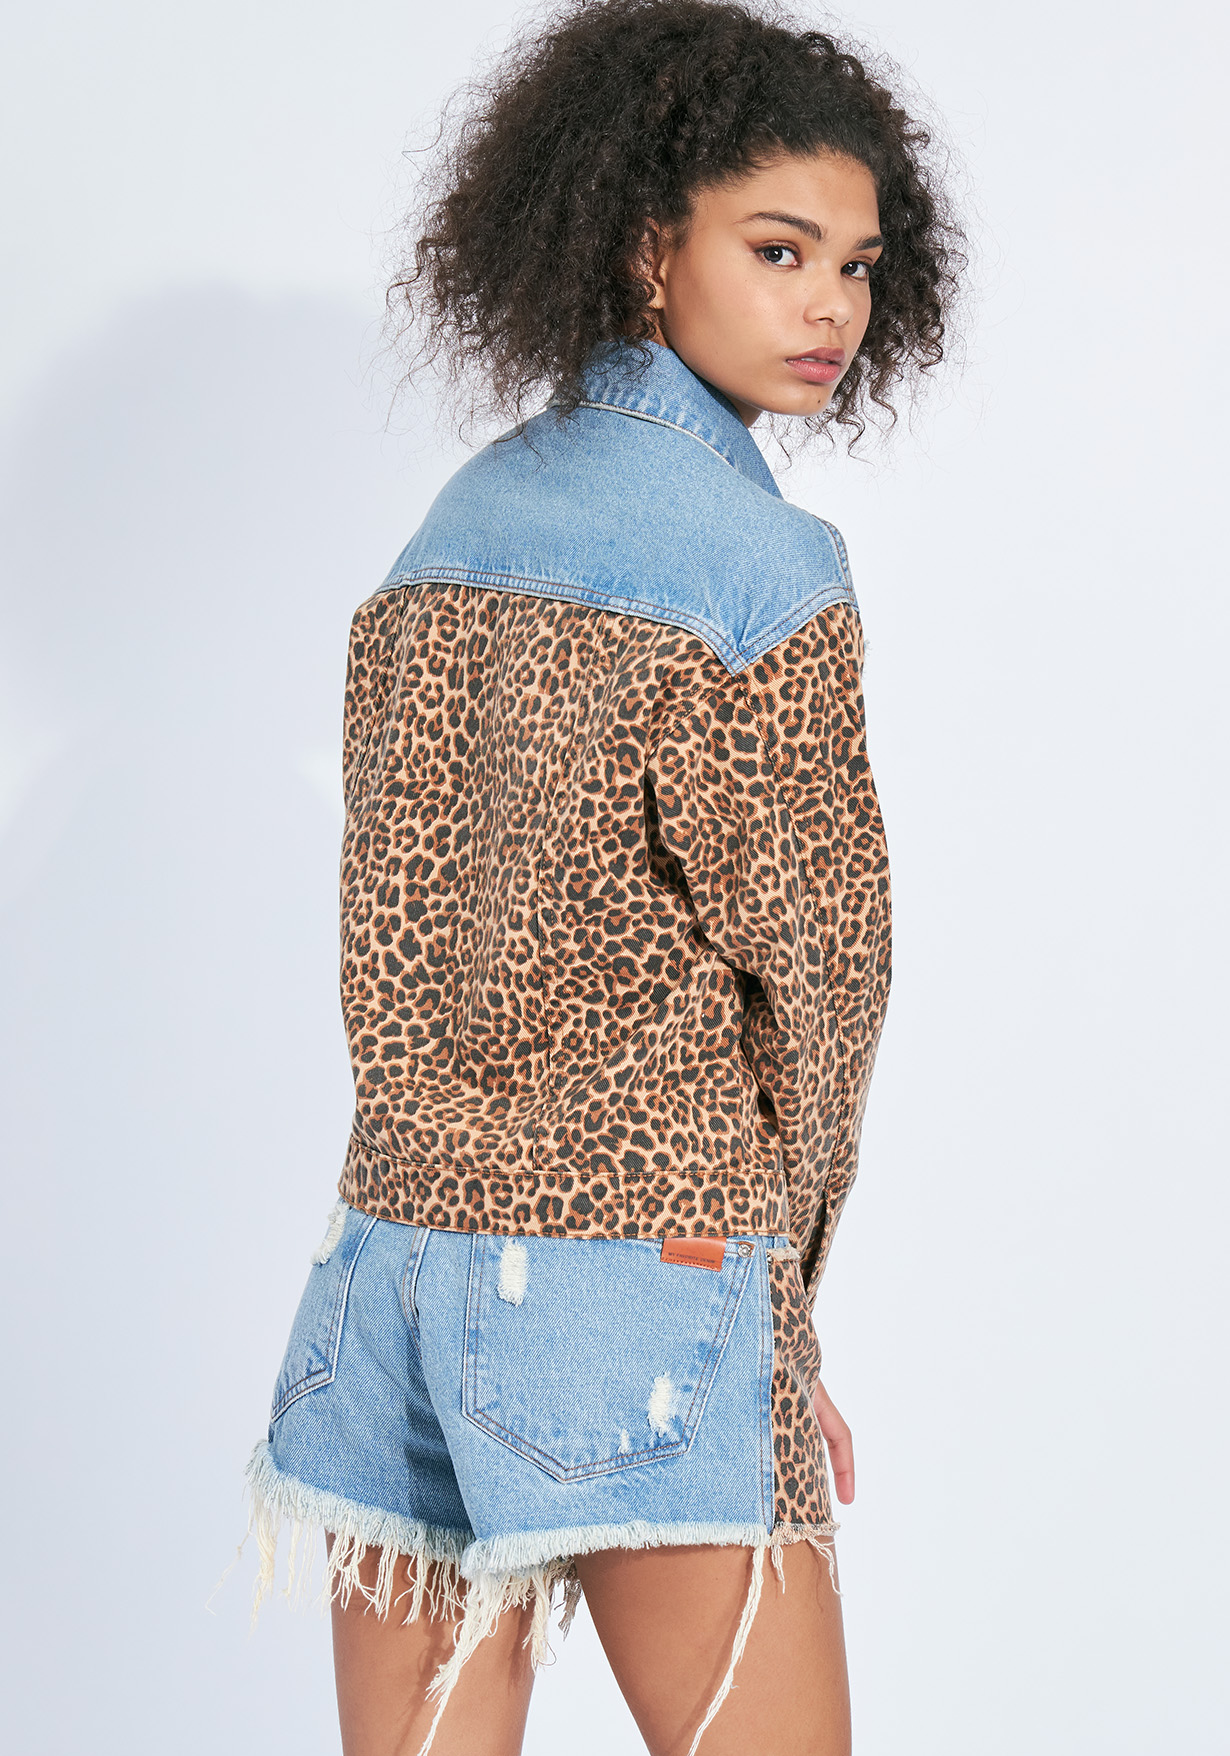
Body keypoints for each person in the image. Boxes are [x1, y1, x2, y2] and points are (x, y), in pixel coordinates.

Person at [234, 2, 963, 1750]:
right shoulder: (758, 568)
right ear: (646, 249)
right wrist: (776, 1315)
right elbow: (824, 986)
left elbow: (390, 910)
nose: (829, 307)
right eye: (776, 250)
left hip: (388, 1276)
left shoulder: (452, 528)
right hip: (642, 1282)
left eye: (856, 266)